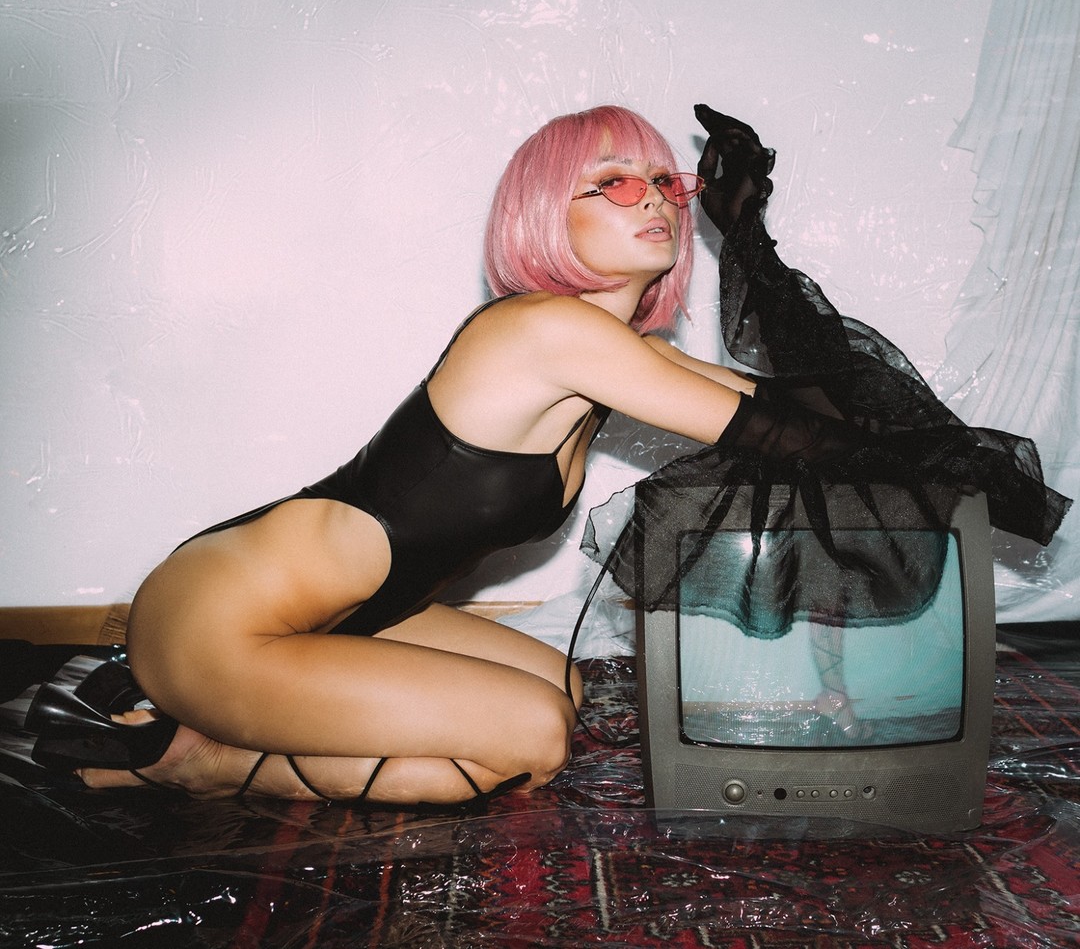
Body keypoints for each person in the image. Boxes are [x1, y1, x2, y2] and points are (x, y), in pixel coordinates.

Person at [22, 103, 1070, 804]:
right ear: (544, 212)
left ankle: (209, 709)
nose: (654, 197)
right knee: (532, 737)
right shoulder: (546, 330)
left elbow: (816, 405)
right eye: (613, 182)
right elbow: (802, 440)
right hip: (218, 616)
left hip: (353, 610)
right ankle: (185, 756)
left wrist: (745, 233)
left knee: (560, 686)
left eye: (663, 180)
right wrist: (959, 469)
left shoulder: (618, 353)